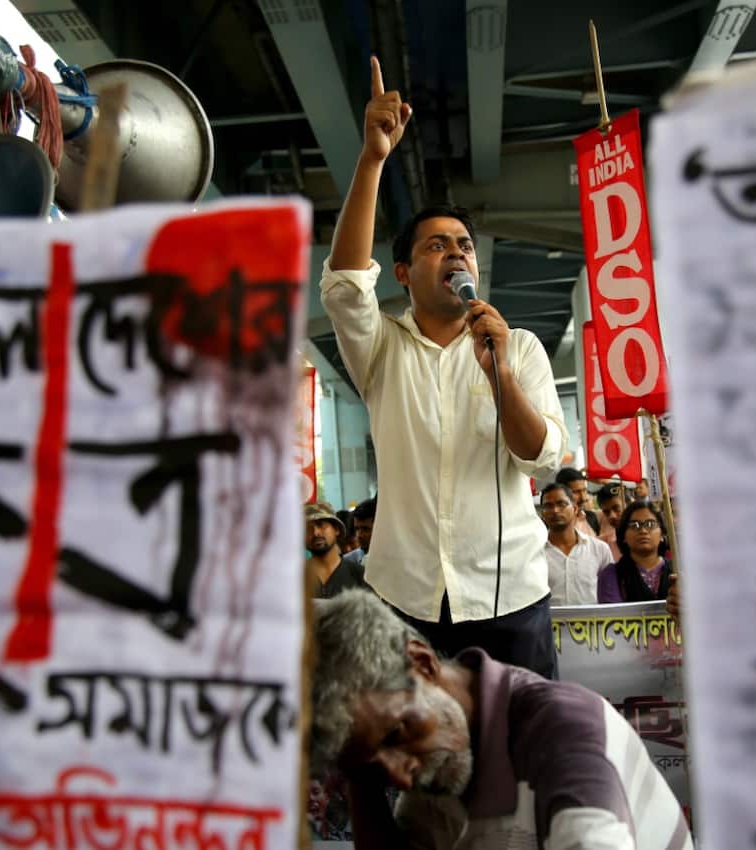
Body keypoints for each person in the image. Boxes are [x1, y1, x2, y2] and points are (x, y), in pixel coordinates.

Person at [318, 57, 566, 677]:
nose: (456, 253)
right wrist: (373, 157)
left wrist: (500, 372)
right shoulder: (381, 352)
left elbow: (542, 458)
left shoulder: (521, 348)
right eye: (437, 245)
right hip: (406, 600)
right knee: (415, 759)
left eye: (464, 245)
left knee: (519, 753)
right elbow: (346, 285)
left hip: (510, 599)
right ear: (402, 272)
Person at [310, 590, 693, 850]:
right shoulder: (432, 776)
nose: (400, 777)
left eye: (397, 733)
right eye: (371, 767)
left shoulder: (564, 732)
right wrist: (361, 777)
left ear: (423, 663)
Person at [540, 483, 613, 606]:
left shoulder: (599, 549)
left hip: (593, 623)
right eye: (548, 506)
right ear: (542, 514)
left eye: (561, 504)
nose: (555, 510)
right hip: (548, 624)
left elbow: (610, 593)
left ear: (574, 509)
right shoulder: (534, 552)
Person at [597, 500, 673, 604]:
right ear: (623, 536)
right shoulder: (611, 575)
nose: (643, 531)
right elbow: (614, 616)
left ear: (662, 535)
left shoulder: (678, 571)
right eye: (634, 525)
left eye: (650, 524)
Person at [307, 501, 368, 599]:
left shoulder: (360, 575)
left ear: (336, 529)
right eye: (308, 528)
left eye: (321, 525)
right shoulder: (292, 579)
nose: (316, 533)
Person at [555, 467, 597, 537]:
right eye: (576, 492)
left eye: (584, 490)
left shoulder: (593, 518)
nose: (583, 497)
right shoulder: (553, 524)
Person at [595, 483, 627, 561]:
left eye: (617, 508)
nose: (612, 516)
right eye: (606, 512)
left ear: (629, 504)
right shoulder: (602, 544)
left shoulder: (646, 536)